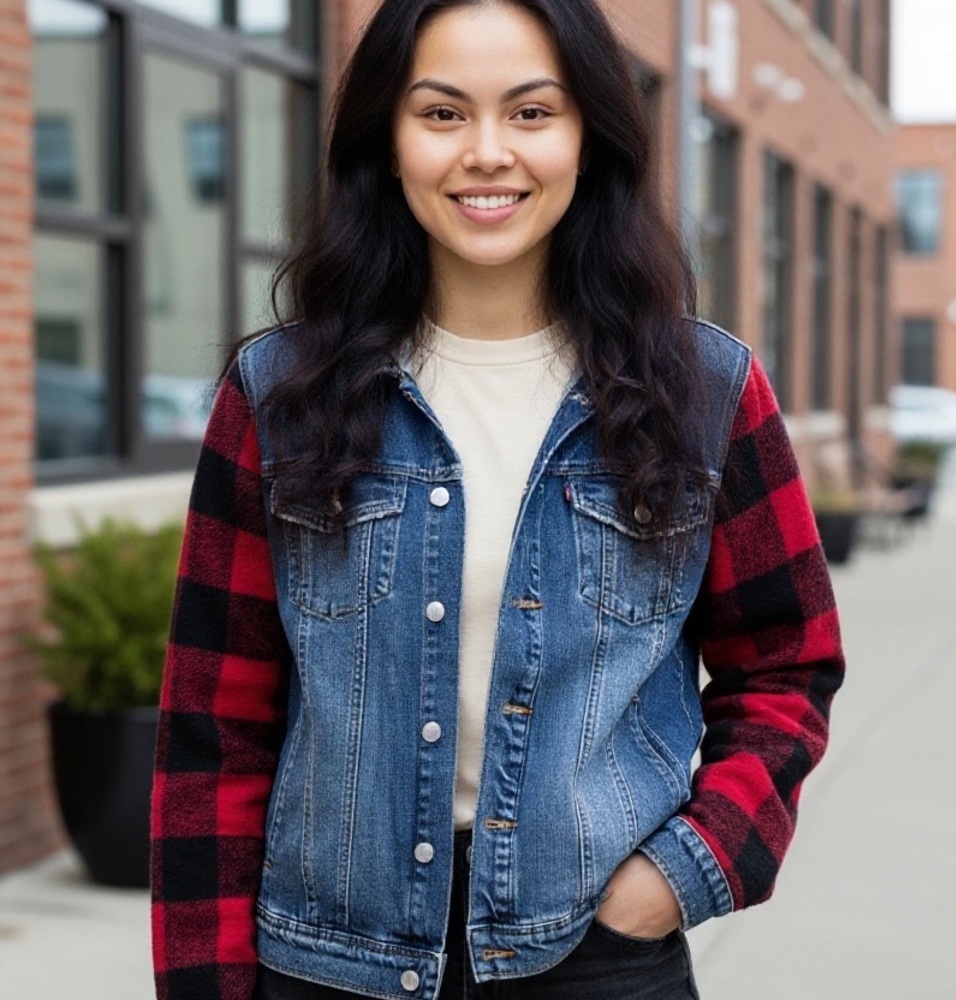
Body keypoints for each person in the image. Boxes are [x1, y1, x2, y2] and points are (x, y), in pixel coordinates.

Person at [151, 1, 845, 998]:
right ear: (387, 141)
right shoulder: (279, 394)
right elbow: (211, 731)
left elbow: (788, 663)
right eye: (441, 113)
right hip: (325, 963)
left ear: (588, 138)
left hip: (596, 957)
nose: (486, 152)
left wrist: (684, 869)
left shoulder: (706, 393)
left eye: (530, 112)